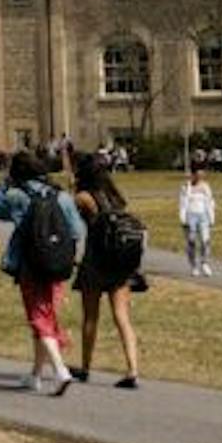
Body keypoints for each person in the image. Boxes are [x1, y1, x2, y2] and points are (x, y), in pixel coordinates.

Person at [0, 149, 80, 395]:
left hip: (30, 264)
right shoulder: (61, 196)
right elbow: (77, 230)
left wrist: (2, 186)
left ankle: (60, 371)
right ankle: (35, 375)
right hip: (57, 264)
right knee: (46, 316)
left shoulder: (18, 196)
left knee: (39, 318)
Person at [70, 154, 141, 390]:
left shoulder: (84, 197)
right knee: (122, 317)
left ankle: (85, 367)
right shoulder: (115, 196)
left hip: (95, 261)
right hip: (119, 261)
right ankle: (132, 369)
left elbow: (71, 216)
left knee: (90, 317)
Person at [179, 166, 217, 276]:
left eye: (202, 175)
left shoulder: (205, 187)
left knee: (205, 240)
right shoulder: (186, 187)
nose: (200, 177)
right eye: (198, 175)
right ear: (193, 175)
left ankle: (204, 263)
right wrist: (183, 219)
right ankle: (194, 266)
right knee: (192, 241)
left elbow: (210, 202)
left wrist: (211, 218)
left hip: (203, 216)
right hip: (190, 216)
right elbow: (183, 204)